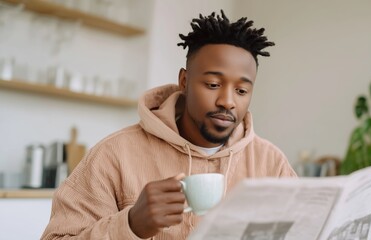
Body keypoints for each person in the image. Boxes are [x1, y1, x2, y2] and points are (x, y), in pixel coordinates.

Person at [41, 10, 297, 240]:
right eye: (213, 85)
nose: (227, 102)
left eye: (241, 90)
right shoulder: (113, 155)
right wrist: (130, 226)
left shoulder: (272, 165)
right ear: (184, 81)